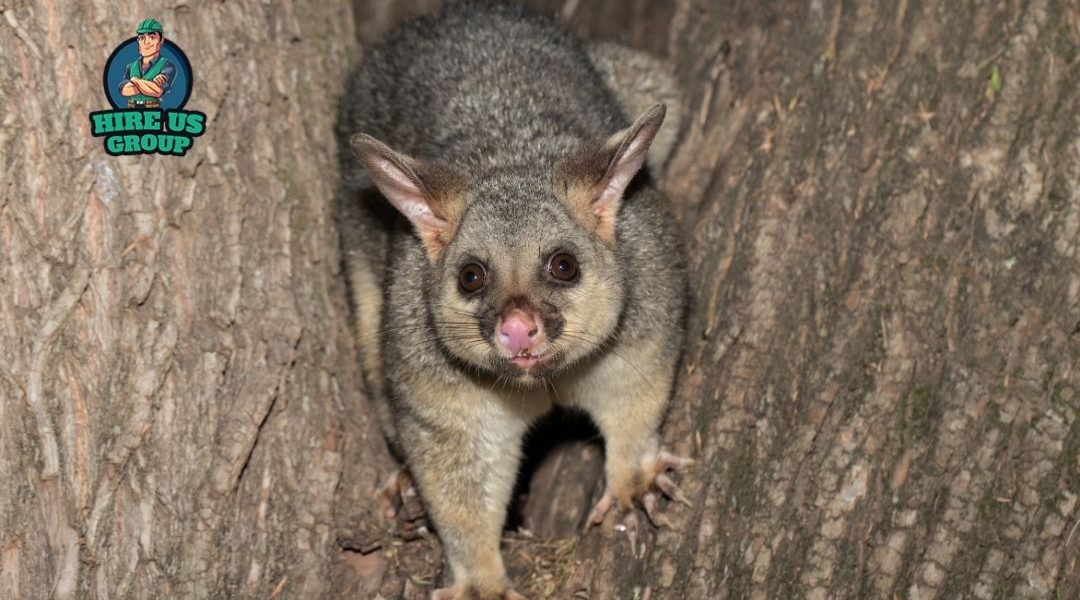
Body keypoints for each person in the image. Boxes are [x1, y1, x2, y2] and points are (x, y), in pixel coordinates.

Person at [119, 19, 175, 109]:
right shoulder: (131, 66)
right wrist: (148, 86)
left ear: (161, 40)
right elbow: (124, 90)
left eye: (152, 37)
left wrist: (135, 80)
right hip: (132, 113)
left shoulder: (167, 66)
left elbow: (157, 92)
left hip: (153, 113)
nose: (146, 42)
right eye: (142, 38)